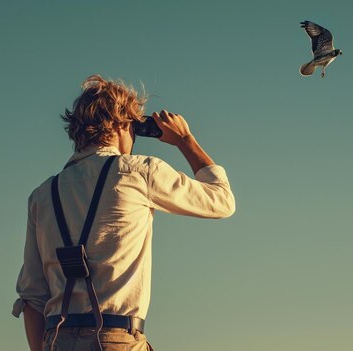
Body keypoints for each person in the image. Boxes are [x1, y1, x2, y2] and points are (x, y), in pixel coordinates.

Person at [12, 74, 236, 351]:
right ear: (123, 124)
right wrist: (185, 140)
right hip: (116, 337)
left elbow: (32, 298)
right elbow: (221, 200)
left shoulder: (42, 195)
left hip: (56, 339)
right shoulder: (138, 171)